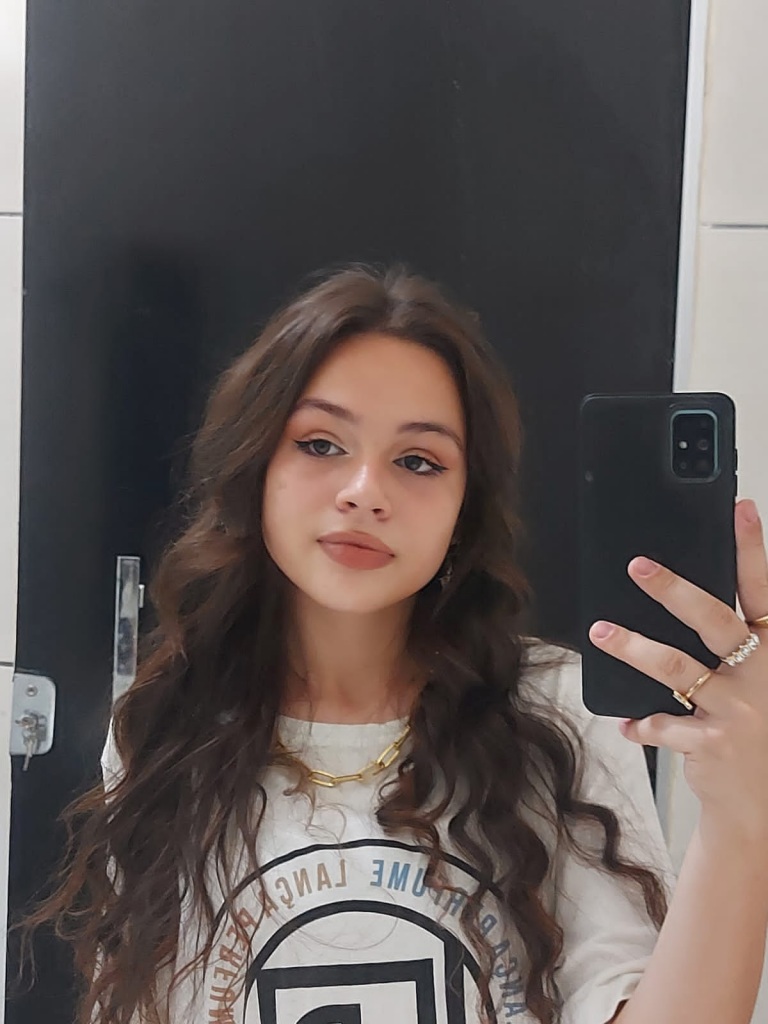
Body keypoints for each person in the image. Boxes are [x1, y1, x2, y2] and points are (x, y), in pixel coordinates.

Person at [14, 264, 768, 1024]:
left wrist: (744, 817)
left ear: (463, 511)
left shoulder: (558, 712)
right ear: (257, 469)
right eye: (320, 443)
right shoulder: (167, 725)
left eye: (418, 461)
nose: (365, 490)